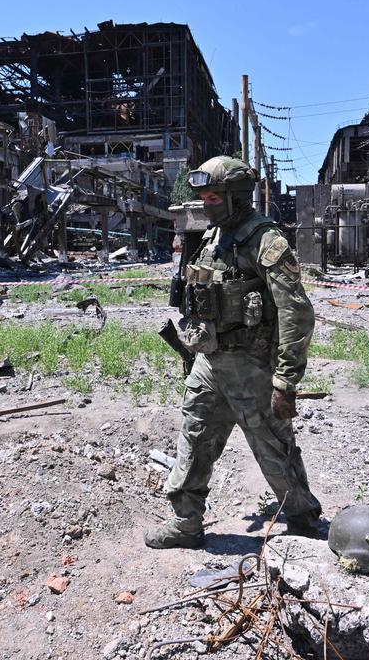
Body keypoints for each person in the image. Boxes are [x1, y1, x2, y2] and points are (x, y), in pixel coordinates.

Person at [144, 156, 322, 549]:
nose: (206, 204)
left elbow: (297, 312)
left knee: (272, 448)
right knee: (194, 439)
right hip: (210, 363)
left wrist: (286, 381)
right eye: (203, 197)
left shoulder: (265, 240)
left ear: (236, 197)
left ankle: (303, 520)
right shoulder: (213, 237)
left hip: (251, 368)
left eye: (213, 196)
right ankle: (186, 524)